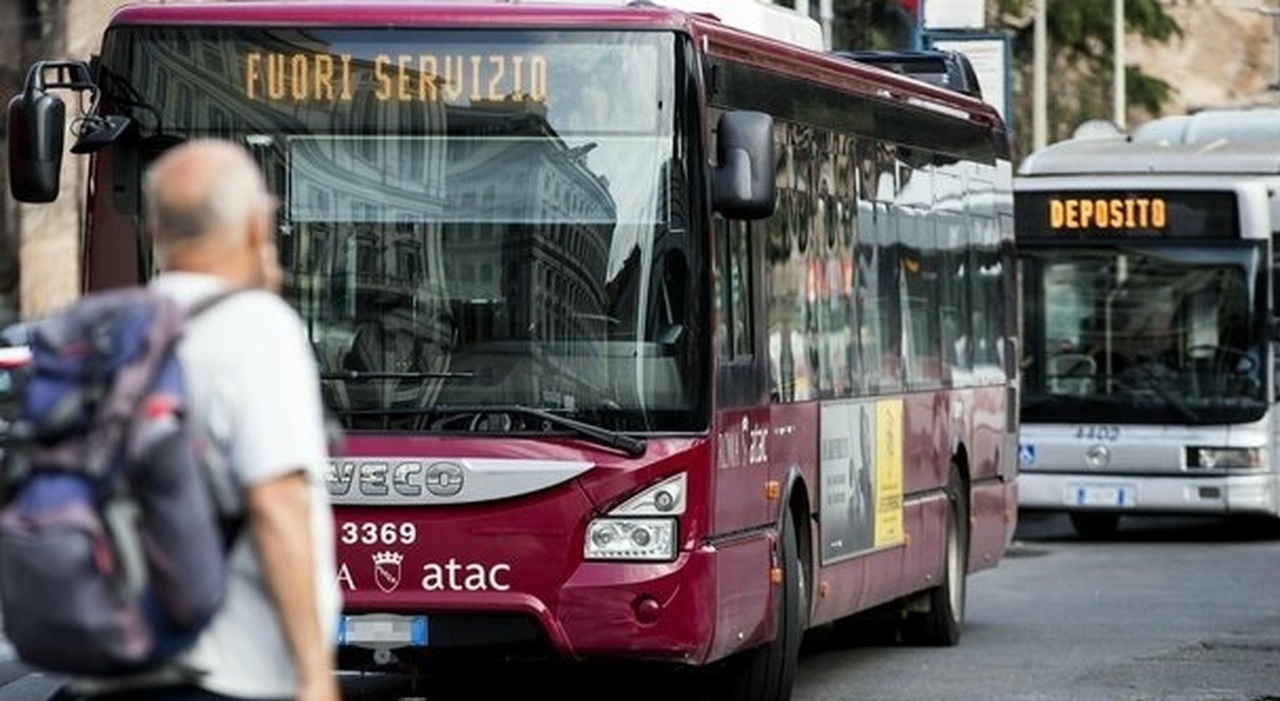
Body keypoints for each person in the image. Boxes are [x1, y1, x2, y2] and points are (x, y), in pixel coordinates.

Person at [68, 139, 341, 701]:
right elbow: (276, 504)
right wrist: (314, 675)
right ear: (255, 226)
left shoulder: (111, 333)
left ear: (154, 234)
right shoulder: (256, 327)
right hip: (225, 675)